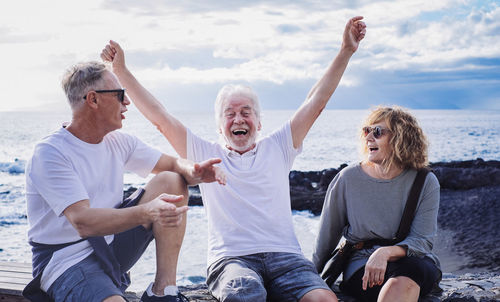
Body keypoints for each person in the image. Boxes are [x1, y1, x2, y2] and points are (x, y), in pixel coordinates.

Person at [101, 16, 366, 302]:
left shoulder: (279, 146)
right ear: (219, 126)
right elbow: (160, 117)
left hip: (287, 258)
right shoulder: (205, 154)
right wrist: (121, 72)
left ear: (259, 122)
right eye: (230, 113)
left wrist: (346, 51)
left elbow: (317, 101)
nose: (238, 119)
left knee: (324, 299)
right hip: (232, 262)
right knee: (246, 294)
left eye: (246, 112)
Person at [24, 61, 226, 302]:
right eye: (120, 95)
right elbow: (83, 222)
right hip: (66, 260)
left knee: (172, 180)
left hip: (110, 245)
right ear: (93, 100)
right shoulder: (50, 153)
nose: (127, 103)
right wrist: (147, 212)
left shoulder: (118, 141)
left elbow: (172, 164)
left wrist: (192, 170)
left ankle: (162, 292)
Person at [312, 106, 442, 302]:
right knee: (401, 278)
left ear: (401, 138)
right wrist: (308, 280)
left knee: (410, 270)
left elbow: (422, 240)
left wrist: (385, 253)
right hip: (362, 265)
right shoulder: (348, 178)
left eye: (378, 132)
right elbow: (326, 238)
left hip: (413, 262)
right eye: (367, 130)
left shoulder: (425, 181)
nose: (369, 137)